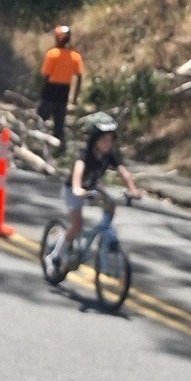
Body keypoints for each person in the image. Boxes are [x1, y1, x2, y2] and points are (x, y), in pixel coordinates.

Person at [52, 113, 140, 266]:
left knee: (110, 204)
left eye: (110, 140)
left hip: (92, 188)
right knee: (77, 224)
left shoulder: (110, 155)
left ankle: (105, 233)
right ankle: (56, 255)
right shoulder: (85, 154)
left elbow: (123, 172)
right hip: (73, 190)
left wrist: (132, 189)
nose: (108, 143)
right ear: (94, 139)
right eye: (104, 139)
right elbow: (78, 169)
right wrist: (77, 188)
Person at [37, 23, 84, 144]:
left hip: (50, 91)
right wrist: (75, 97)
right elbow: (79, 77)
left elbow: (46, 76)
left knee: (40, 120)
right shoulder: (75, 56)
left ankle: (39, 144)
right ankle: (59, 147)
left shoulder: (52, 54)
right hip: (63, 93)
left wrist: (42, 93)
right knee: (59, 125)